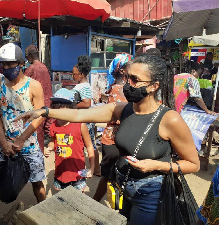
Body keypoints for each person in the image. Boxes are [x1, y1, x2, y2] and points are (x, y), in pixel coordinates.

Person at [17, 55, 200, 225]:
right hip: (122, 189)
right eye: (127, 77)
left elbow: (193, 164)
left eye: (135, 80)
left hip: (149, 194)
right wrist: (45, 111)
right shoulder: (123, 109)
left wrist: (156, 165)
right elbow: (80, 114)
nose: (127, 84)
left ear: (154, 86)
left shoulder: (170, 119)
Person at [0, 43, 46, 210]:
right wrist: (3, 141)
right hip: (3, 146)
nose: (6, 68)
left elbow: (40, 115)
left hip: (28, 146)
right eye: (3, 64)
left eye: (10, 64)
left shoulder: (34, 86)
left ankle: (43, 216)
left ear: (22, 63)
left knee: (37, 185)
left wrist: (21, 139)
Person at [93, 53, 130, 202]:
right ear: (122, 70)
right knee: (108, 176)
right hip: (113, 140)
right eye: (130, 65)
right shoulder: (118, 89)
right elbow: (116, 116)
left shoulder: (123, 87)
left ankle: (115, 204)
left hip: (121, 138)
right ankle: (95, 202)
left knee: (117, 176)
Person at [45, 88, 94, 192]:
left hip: (79, 173)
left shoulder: (80, 125)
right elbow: (53, 141)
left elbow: (89, 146)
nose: (60, 113)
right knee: (62, 201)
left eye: (64, 109)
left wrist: (92, 167)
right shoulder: (53, 125)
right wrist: (49, 148)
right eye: (57, 109)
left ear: (71, 109)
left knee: (78, 200)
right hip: (60, 173)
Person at [174, 60, 217, 151]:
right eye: (198, 73)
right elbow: (197, 97)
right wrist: (207, 110)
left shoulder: (175, 76)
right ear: (193, 71)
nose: (198, 76)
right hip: (176, 109)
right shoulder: (191, 79)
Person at [72, 55, 100, 176]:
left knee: (89, 145)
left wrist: (73, 105)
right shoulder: (84, 85)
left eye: (75, 74)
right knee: (89, 145)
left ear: (81, 74)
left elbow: (87, 103)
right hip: (85, 119)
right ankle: (96, 169)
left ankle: (95, 169)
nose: (73, 76)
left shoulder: (82, 86)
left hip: (85, 120)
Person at [25, 45, 53, 152]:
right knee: (46, 129)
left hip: (38, 104)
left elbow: (23, 85)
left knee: (37, 131)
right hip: (48, 102)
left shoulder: (32, 68)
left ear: (31, 56)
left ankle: (39, 153)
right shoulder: (44, 67)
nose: (27, 59)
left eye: (27, 56)